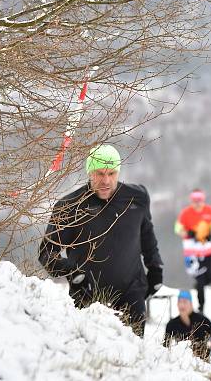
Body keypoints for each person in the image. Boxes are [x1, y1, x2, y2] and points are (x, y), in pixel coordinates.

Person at [38, 144, 164, 336]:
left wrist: (155, 268)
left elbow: (147, 234)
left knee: (133, 356)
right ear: (90, 172)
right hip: (88, 297)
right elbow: (46, 253)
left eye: (112, 174)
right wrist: (72, 273)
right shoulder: (70, 206)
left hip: (132, 293)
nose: (106, 180)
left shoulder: (137, 198)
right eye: (99, 173)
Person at [174, 188, 211, 313]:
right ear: (191, 201)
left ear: (203, 200)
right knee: (200, 281)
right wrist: (189, 233)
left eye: (200, 200)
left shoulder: (210, 211)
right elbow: (177, 229)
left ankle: (199, 286)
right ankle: (201, 307)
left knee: (210, 278)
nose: (197, 203)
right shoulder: (185, 213)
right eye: (195, 200)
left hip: (207, 251)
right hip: (192, 253)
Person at [163, 290, 211, 361]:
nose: (182, 305)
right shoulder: (172, 324)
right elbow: (165, 346)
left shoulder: (202, 320)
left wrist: (208, 351)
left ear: (191, 304)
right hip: (181, 362)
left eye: (184, 302)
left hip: (201, 362)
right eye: (179, 302)